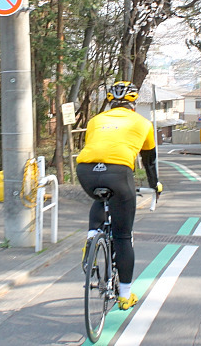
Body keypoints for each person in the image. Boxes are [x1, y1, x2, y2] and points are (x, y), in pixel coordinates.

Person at [76, 80, 162, 311]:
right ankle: (125, 295)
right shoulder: (143, 123)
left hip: (85, 170)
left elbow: (95, 147)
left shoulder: (95, 121)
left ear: (111, 102)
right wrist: (155, 186)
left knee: (101, 197)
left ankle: (92, 236)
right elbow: (149, 161)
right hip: (119, 172)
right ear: (133, 103)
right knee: (123, 237)